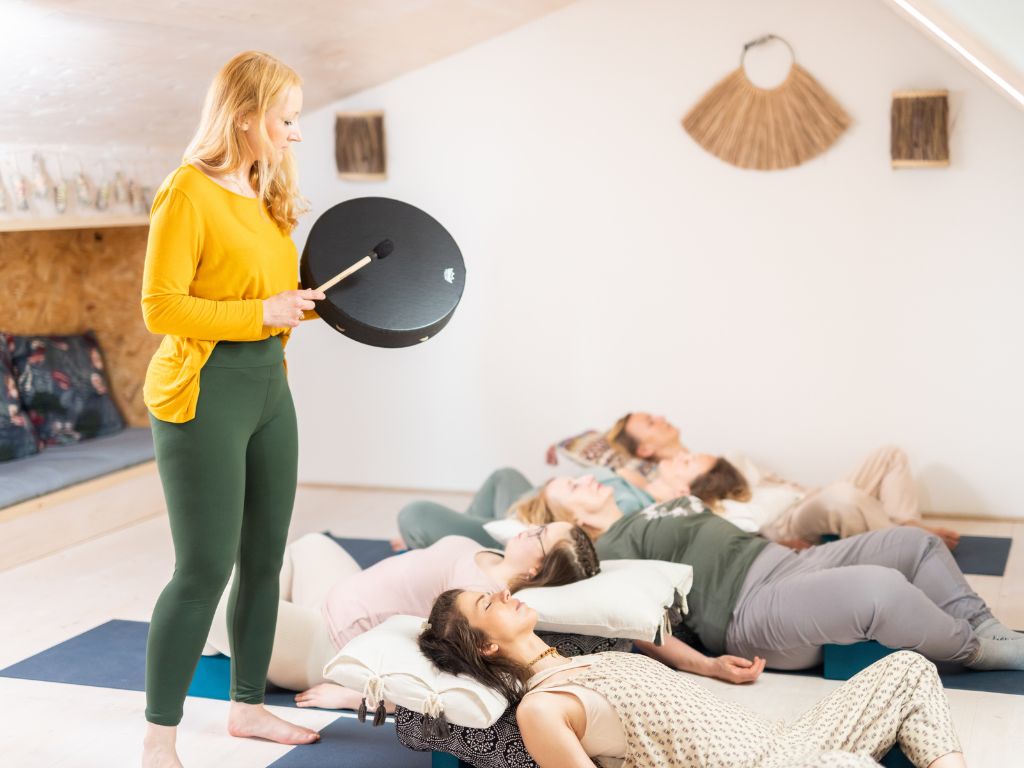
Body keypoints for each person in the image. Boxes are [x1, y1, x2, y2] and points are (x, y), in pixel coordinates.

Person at [140, 51, 326, 768]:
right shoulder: (187, 191)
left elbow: (266, 298)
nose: (296, 134)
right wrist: (262, 312)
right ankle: (159, 739)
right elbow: (161, 308)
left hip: (269, 390)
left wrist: (300, 306)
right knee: (204, 568)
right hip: (204, 392)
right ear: (245, 118)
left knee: (265, 558)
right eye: (286, 119)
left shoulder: (264, 188)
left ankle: (248, 709)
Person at [521, 476, 1024, 675]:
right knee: (881, 591)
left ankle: (985, 626)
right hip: (748, 610)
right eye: (571, 486)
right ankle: (975, 651)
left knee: (914, 543)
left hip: (783, 562)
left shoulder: (646, 509)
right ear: (568, 518)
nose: (586, 478)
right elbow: (634, 622)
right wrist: (706, 666)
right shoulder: (608, 550)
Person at [419, 588, 966, 768]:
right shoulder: (542, 707)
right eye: (489, 602)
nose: (505, 594)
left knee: (908, 668)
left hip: (784, 742)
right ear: (485, 646)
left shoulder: (588, 656)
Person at [204, 524, 599, 710]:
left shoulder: (480, 603)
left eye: (541, 536)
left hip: (328, 642)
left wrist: (359, 697)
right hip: (332, 598)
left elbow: (447, 680)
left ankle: (247, 643)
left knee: (214, 600)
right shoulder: (493, 557)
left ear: (536, 569)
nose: (531, 528)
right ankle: (248, 643)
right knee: (310, 543)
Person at [607, 412, 960, 549]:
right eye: (650, 423)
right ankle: (917, 544)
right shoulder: (670, 483)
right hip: (780, 521)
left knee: (889, 454)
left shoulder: (721, 457)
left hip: (803, 496)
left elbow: (770, 481)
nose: (660, 417)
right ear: (645, 448)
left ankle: (908, 525)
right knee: (843, 497)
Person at [396, 466, 653, 550]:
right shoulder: (639, 481)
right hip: (540, 512)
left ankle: (456, 546)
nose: (589, 477)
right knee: (505, 476)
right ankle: (455, 542)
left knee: (416, 515)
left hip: (527, 532)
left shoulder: (632, 506)